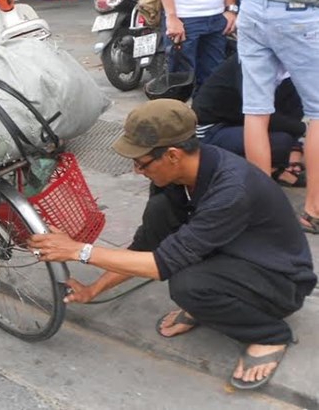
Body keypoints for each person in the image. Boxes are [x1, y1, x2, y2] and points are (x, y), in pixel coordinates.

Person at [28, 99, 316, 390]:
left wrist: (80, 251)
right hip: (236, 256)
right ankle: (211, 304)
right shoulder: (175, 178)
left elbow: (161, 264)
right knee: (160, 212)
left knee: (187, 286)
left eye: (141, 163)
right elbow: (147, 245)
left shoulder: (231, 189)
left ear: (174, 156)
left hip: (280, 281)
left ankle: (268, 335)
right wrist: (93, 290)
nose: (136, 171)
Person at [207, 0, 319, 235]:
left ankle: (264, 208)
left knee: (256, 111)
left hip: (253, 8)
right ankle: (314, 211)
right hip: (298, 9)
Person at [192, 54, 306, 187]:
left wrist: (296, 147)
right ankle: (267, 174)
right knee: (280, 141)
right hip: (211, 129)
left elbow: (293, 111)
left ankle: (282, 162)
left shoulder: (288, 67)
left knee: (293, 106)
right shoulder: (250, 62)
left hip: (238, 122)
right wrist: (304, 129)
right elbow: (259, 114)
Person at [152, 0, 237, 93]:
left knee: (212, 86)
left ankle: (201, 114)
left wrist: (230, 7)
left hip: (217, 14)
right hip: (184, 15)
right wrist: (172, 16)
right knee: (179, 87)